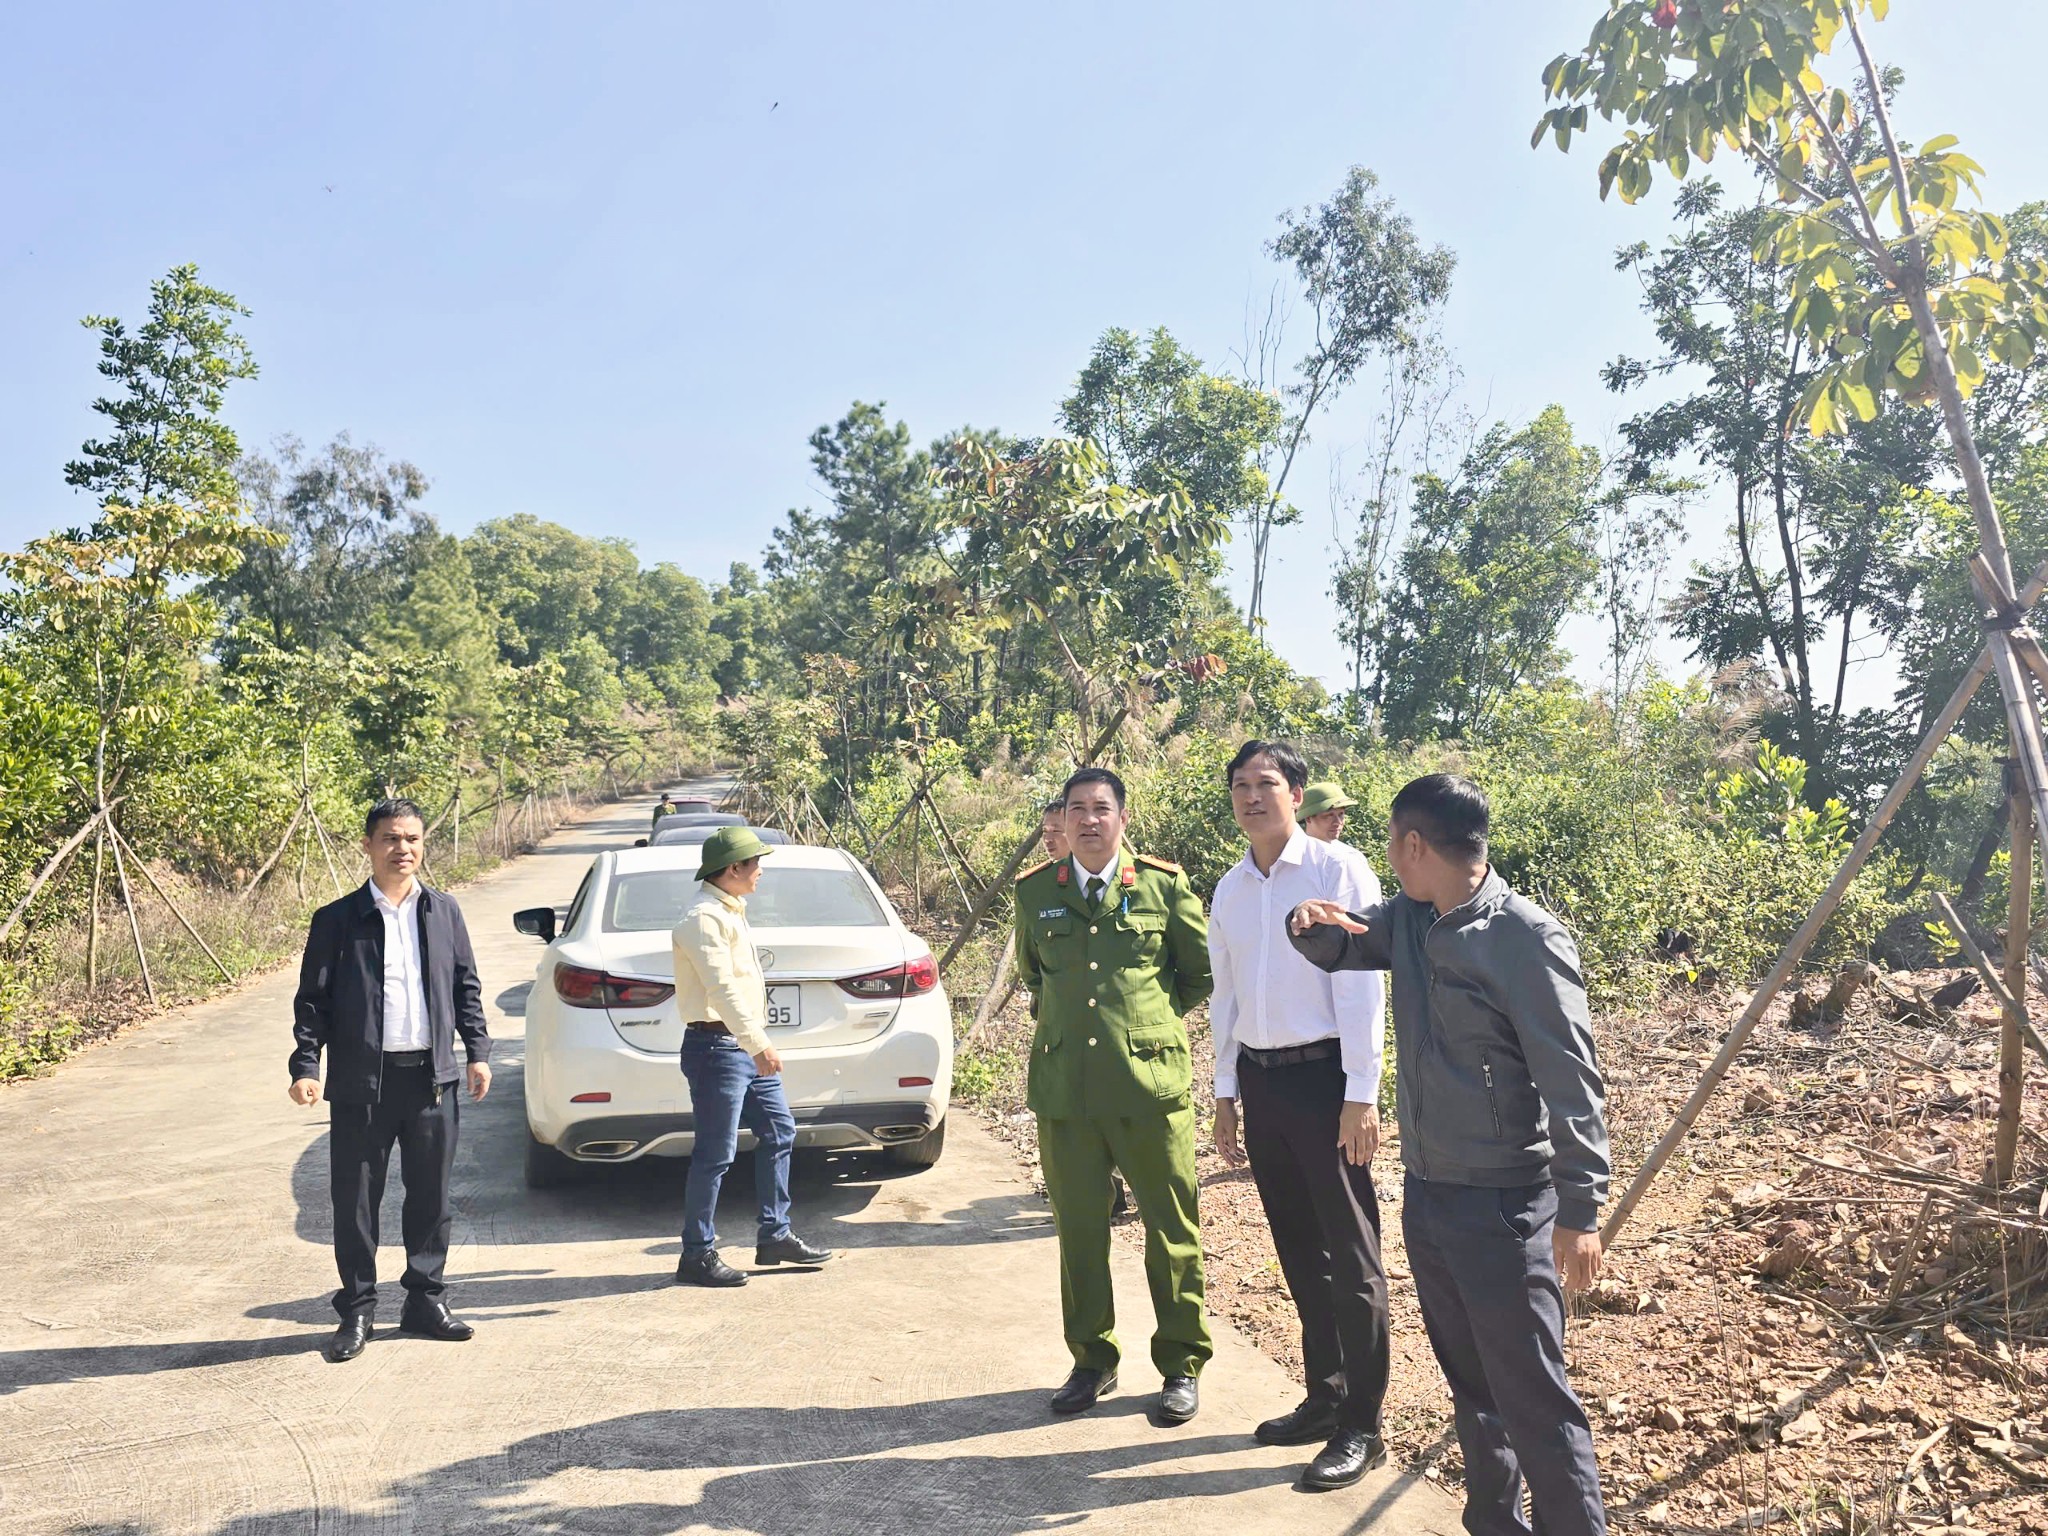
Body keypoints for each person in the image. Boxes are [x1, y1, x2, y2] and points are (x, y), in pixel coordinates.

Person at [1289, 773, 1611, 1536]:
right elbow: (1344, 943)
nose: (1387, 861)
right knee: (1473, 1387)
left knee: (1533, 1398)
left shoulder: (1524, 939)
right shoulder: (1410, 917)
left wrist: (1581, 1209)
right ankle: (1493, 1523)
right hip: (1430, 1195)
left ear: (1414, 845)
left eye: (1391, 845)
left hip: (1505, 1206)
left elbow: (1573, 1083)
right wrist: (1308, 924)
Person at [1209, 740, 1391, 1490]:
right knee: (1297, 1249)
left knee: (1350, 1255)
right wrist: (1225, 1090)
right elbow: (1226, 994)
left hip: (1325, 1081)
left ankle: (1363, 1426)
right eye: (1241, 785)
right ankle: (1325, 1396)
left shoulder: (1334, 870)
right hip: (1261, 1083)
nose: (1253, 797)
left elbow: (1362, 986)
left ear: (1296, 792)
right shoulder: (1229, 888)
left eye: (1267, 783)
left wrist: (1361, 1093)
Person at [1015, 767, 1213, 1423]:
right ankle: (1092, 1360)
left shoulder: (1163, 885)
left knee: (1171, 1230)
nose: (1089, 820)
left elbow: (1196, 974)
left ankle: (1181, 1363)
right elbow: (1036, 977)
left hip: (1148, 1087)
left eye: (1102, 808)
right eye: (1077, 809)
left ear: (1123, 819)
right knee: (1079, 1232)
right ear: (1063, 822)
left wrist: (1145, 1028)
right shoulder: (1035, 892)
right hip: (1066, 1092)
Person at [288, 797, 492, 1364]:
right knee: (356, 1202)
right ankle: (357, 1310)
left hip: (431, 1080)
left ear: (422, 845)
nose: (403, 849)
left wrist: (477, 1052)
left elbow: (465, 987)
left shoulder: (444, 911)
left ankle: (425, 1301)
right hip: (362, 1085)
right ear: (368, 845)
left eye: (412, 839)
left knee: (431, 1198)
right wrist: (306, 1065)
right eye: (390, 838)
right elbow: (313, 1002)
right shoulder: (337, 919)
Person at [671, 825, 833, 1287]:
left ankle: (775, 1235)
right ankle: (696, 1254)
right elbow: (721, 989)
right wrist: (758, 1043)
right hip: (717, 1049)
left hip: (739, 1046)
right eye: (755, 863)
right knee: (715, 1154)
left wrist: (753, 1042)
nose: (760, 871)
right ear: (732, 869)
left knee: (780, 1130)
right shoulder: (703, 918)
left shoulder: (730, 910)